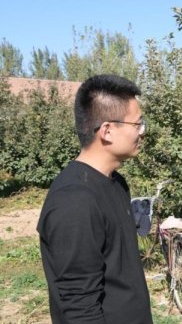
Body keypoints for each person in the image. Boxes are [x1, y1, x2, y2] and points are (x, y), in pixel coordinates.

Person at [37, 74, 153, 324]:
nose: (142, 132)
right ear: (107, 131)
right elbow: (79, 306)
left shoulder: (116, 183)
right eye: (137, 124)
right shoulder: (74, 201)